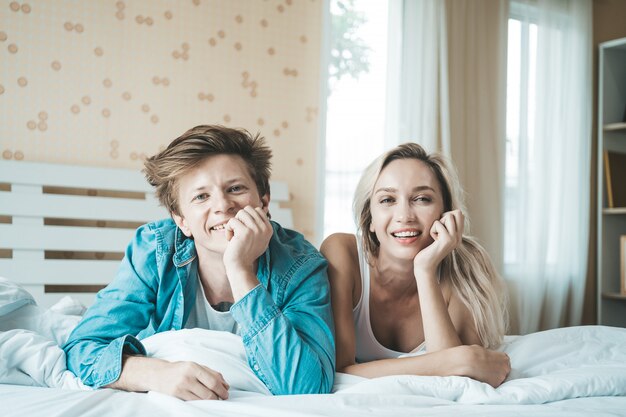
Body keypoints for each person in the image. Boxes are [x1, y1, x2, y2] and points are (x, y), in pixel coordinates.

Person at [64, 125, 335, 400]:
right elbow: (83, 347)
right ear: (181, 220)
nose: (223, 205)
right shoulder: (155, 252)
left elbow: (307, 387)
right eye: (201, 196)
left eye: (236, 188)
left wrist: (240, 270)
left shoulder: (301, 264)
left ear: (264, 201)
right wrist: (157, 374)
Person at [321, 142, 510, 387]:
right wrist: (452, 361)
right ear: (369, 219)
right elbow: (339, 371)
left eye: (422, 199)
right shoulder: (342, 253)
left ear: (445, 212)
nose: (404, 216)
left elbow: (458, 381)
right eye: (388, 200)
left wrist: (425, 269)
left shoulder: (466, 268)